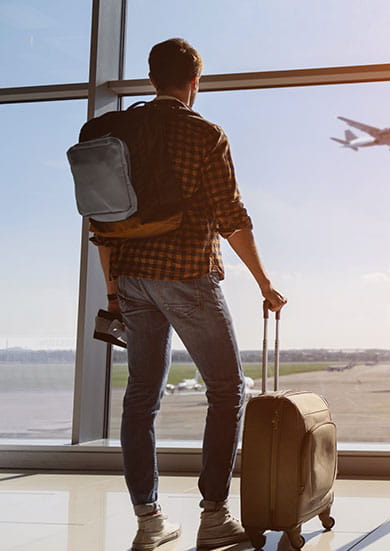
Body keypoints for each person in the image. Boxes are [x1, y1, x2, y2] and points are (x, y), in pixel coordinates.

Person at [92, 38, 286, 551]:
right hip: (185, 274)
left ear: (152, 77)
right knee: (227, 390)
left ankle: (149, 519)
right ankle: (214, 514)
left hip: (131, 278)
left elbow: (102, 223)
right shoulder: (204, 134)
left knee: (141, 398)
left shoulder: (118, 132)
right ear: (195, 81)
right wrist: (264, 281)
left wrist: (114, 290)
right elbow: (231, 217)